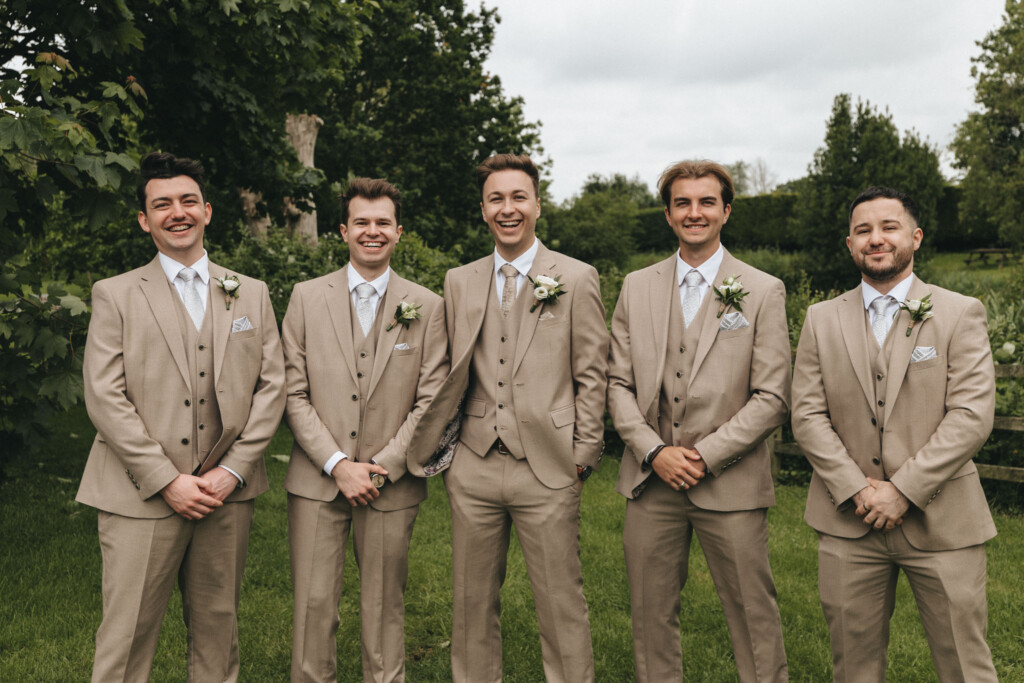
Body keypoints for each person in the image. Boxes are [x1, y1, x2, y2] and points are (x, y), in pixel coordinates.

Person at [77, 151, 285, 682]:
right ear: (145, 219)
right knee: (126, 639)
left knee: (219, 634)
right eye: (162, 204)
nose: (178, 212)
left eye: (188, 201)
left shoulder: (252, 293)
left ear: (208, 211)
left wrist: (231, 472)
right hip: (139, 493)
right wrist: (167, 479)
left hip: (225, 494)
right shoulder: (116, 294)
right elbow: (104, 395)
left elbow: (271, 389)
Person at [408, 154, 609, 683]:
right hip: (473, 465)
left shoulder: (577, 277)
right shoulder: (459, 280)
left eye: (518, 197)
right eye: (496, 199)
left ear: (537, 205)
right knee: (471, 603)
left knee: (561, 603)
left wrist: (582, 458)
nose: (508, 208)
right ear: (482, 210)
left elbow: (593, 376)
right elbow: (451, 371)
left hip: (549, 465)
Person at [792, 186, 998, 681]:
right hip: (849, 522)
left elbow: (971, 415)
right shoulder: (821, 319)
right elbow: (806, 414)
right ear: (849, 244)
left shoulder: (958, 312)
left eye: (889, 227)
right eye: (863, 231)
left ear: (915, 237)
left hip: (944, 520)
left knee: (964, 665)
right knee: (853, 666)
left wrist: (903, 491)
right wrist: (857, 489)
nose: (876, 239)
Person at [606, 159, 790, 682]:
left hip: (730, 481)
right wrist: (655, 452)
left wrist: (704, 456)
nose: (695, 212)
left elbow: (773, 395)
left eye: (706, 202)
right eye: (682, 203)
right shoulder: (635, 286)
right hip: (651, 480)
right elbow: (615, 384)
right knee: (649, 614)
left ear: (726, 211)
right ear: (667, 214)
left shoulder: (762, 289)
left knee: (753, 613)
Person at [281, 177, 448, 682]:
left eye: (382, 223)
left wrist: (382, 467)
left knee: (384, 606)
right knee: (312, 607)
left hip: (390, 484)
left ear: (399, 232)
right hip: (316, 481)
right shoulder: (306, 298)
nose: (371, 232)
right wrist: (337, 465)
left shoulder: (428, 305)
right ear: (343, 230)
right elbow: (292, 392)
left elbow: (431, 400)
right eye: (361, 223)